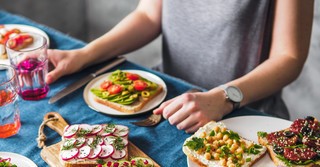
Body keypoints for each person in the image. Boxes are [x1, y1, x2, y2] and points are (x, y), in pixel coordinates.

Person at [46, 0, 314, 133]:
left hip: (243, 113)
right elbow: (149, 15)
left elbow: (288, 57)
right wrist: (83, 55)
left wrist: (223, 98)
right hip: (166, 102)